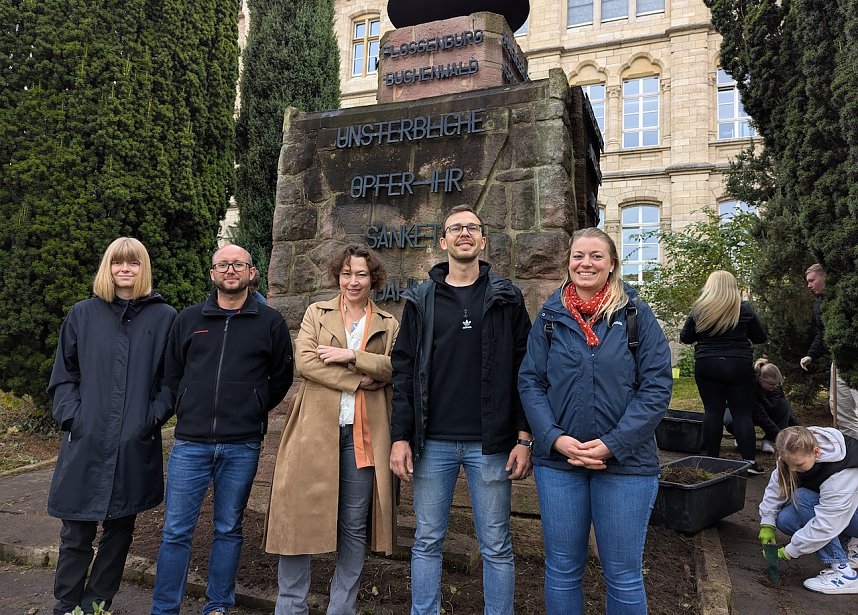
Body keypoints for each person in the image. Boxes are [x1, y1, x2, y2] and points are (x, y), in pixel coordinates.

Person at [518, 227, 673, 614]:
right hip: (560, 465)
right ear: (568, 263)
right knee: (562, 569)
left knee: (622, 574)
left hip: (626, 467)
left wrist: (613, 444)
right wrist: (553, 438)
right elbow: (531, 381)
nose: (585, 263)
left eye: (596, 256)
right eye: (578, 256)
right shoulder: (551, 318)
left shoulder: (636, 315)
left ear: (612, 264)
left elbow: (656, 387)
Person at [389, 205, 533, 615]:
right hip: (431, 444)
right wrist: (400, 436)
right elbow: (404, 372)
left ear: (483, 240)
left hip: (491, 444)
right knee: (427, 540)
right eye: (456, 228)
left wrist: (524, 437)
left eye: (472, 228)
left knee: (497, 545)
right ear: (443, 241)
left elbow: (526, 368)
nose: (464, 234)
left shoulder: (506, 296)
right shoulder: (420, 300)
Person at [151, 244, 294, 615]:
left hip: (242, 444)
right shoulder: (188, 319)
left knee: (229, 528)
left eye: (238, 265)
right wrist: (184, 406)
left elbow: (280, 377)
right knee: (175, 531)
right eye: (223, 265)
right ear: (213, 273)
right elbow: (172, 372)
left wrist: (253, 405)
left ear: (251, 273)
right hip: (190, 443)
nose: (231, 271)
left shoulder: (270, 322)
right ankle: (165, 608)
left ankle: (217, 606)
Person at [264, 244, 399, 614]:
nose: (353, 281)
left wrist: (350, 355)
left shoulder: (388, 323)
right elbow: (306, 362)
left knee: (353, 527)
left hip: (363, 438)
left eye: (361, 274)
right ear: (337, 276)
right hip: (314, 433)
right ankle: (291, 606)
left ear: (373, 278)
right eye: (346, 274)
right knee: (299, 518)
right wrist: (357, 379)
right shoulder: (316, 312)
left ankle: (342, 608)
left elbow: (393, 368)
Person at [47, 237, 177, 615]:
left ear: (143, 268)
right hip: (86, 439)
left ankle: (97, 606)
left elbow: (170, 380)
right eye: (118, 262)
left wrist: (149, 419)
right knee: (76, 531)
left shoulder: (164, 317)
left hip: (133, 441)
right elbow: (65, 373)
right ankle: (65, 605)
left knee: (120, 531)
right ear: (108, 267)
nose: (125, 269)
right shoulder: (83, 314)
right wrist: (73, 416)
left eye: (133, 263)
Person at [680, 270, 767, 474]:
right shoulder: (744, 308)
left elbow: (685, 337)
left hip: (707, 364)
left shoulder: (699, 309)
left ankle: (712, 461)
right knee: (742, 414)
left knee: (712, 412)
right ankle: (749, 463)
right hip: (739, 365)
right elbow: (760, 337)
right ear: (733, 287)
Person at [758, 425, 858, 594]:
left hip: (850, 513)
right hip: (842, 511)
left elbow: (826, 524)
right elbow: (776, 486)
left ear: (816, 453)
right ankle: (846, 546)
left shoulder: (841, 471)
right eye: (788, 464)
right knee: (785, 519)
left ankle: (844, 574)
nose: (792, 470)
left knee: (802, 497)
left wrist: (790, 551)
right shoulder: (794, 447)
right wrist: (767, 523)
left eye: (798, 465)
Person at [800, 263, 858, 440]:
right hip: (839, 361)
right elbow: (823, 332)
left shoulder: (847, 297)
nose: (809, 285)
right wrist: (811, 354)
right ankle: (853, 450)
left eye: (812, 280)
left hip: (855, 361)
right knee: (839, 409)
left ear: (824, 277)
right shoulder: (819, 304)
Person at [724, 358, 799, 454]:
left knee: (784, 405)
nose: (775, 387)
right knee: (730, 421)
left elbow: (787, 411)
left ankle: (768, 440)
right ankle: (741, 436)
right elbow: (760, 416)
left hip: (763, 410)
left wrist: (799, 430)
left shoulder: (775, 385)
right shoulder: (749, 386)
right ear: (760, 379)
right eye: (771, 384)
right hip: (742, 410)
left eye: (777, 384)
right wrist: (781, 436)